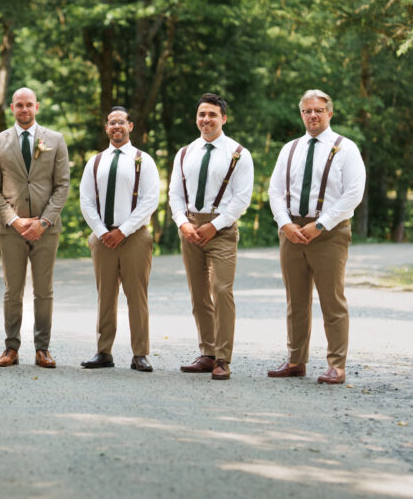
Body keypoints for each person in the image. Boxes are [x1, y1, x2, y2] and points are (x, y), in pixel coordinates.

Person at [267, 89, 365, 385]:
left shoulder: (346, 148)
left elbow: (353, 194)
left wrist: (320, 225)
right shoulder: (290, 149)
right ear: (302, 115)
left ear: (329, 113)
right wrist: (285, 224)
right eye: (307, 111)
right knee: (295, 300)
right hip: (292, 232)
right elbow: (274, 190)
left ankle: (336, 365)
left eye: (318, 110)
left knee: (332, 300)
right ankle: (296, 360)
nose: (312, 115)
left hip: (329, 234)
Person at [168, 93, 253, 381]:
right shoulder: (184, 153)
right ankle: (207, 352)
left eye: (212, 115)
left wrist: (214, 226)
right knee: (199, 294)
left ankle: (223, 358)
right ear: (197, 118)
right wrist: (182, 223)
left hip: (222, 230)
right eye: (202, 114)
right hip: (191, 228)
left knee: (221, 291)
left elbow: (242, 198)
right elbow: (175, 194)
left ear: (223, 119)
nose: (206, 119)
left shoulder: (238, 153)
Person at [0, 87, 70, 368]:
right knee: (13, 291)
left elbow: (62, 185)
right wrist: (15, 220)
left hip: (46, 228)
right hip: (12, 228)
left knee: (43, 291)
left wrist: (44, 221)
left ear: (37, 107)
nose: (24, 109)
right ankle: (11, 348)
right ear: (12, 108)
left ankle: (42, 349)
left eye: (29, 105)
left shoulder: (55, 140)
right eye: (19, 105)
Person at [79, 106, 160, 372]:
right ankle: (104, 352)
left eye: (121, 122)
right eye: (112, 122)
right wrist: (102, 231)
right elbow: (86, 200)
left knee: (137, 295)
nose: (116, 126)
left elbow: (150, 200)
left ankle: (140, 353)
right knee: (105, 295)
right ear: (106, 128)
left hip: (134, 236)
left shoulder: (143, 160)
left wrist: (123, 230)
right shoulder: (96, 162)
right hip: (102, 237)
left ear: (130, 126)